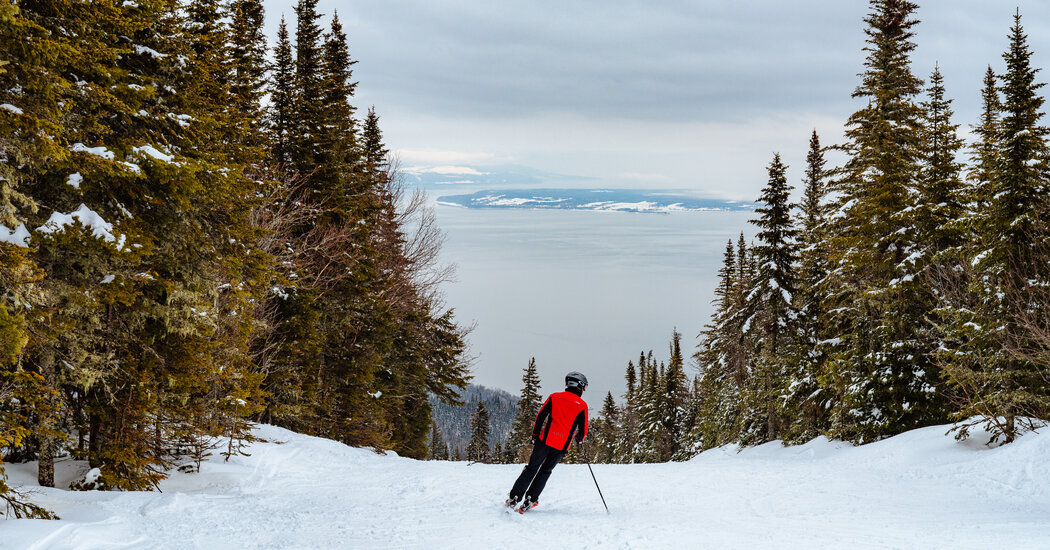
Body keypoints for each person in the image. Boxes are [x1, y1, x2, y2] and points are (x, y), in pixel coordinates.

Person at [506, 371, 589, 512]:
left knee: (531, 468)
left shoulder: (554, 397)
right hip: (561, 446)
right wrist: (579, 439)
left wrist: (535, 434)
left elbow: (541, 416)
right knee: (545, 471)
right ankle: (531, 499)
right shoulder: (582, 405)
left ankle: (515, 496)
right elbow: (583, 429)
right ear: (579, 386)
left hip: (544, 441)